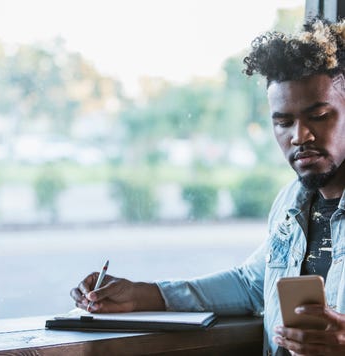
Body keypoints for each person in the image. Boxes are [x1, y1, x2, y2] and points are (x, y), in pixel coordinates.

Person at [71, 19, 345, 355]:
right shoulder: (293, 201)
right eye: (284, 122)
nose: (299, 136)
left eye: (318, 115)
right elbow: (250, 284)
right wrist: (140, 294)